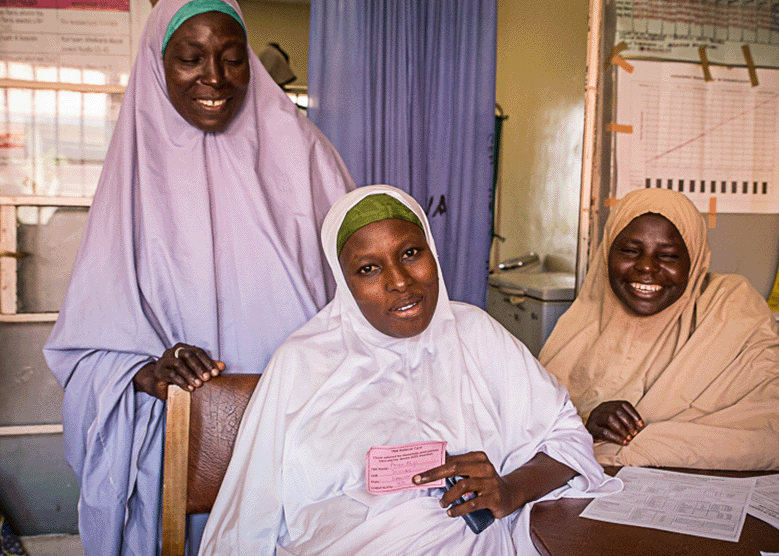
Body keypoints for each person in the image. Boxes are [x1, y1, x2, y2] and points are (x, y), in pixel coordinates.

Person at [43, 0, 354, 556]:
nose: (214, 77)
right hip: (182, 453)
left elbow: (367, 294)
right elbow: (86, 353)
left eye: (233, 58)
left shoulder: (308, 157)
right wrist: (147, 373)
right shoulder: (133, 180)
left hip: (307, 439)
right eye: (190, 58)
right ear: (159, 66)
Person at [199, 185, 621, 555]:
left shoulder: (474, 334)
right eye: (368, 269)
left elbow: (567, 438)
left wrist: (509, 490)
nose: (400, 281)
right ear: (344, 283)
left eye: (410, 254)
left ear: (432, 254)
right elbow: (249, 514)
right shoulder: (303, 362)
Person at [539, 188, 779, 470]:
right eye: (631, 251)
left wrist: (606, 447)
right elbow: (522, 434)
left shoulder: (732, 308)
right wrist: (588, 424)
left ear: (693, 261)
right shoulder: (578, 326)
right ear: (607, 252)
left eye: (669, 256)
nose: (646, 267)